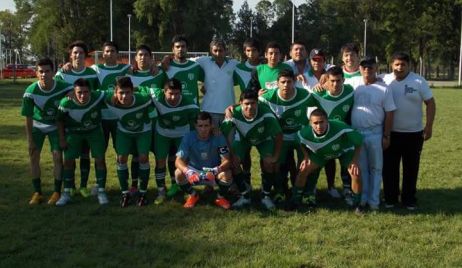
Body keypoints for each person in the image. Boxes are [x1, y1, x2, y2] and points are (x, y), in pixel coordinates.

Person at [382, 52, 436, 210]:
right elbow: (364, 76)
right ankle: (390, 198)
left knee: (411, 168)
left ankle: (409, 199)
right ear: (392, 65)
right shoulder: (384, 79)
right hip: (390, 133)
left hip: (413, 134)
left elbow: (431, 104)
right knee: (389, 168)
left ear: (409, 66)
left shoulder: (419, 81)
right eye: (396, 64)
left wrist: (429, 126)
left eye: (403, 64)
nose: (399, 67)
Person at [258, 69, 316, 202]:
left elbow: (320, 105)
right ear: (277, 83)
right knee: (277, 163)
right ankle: (279, 191)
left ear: (294, 82)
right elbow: (249, 105)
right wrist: (231, 108)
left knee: (306, 163)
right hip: (280, 136)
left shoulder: (305, 95)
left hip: (300, 135)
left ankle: (306, 192)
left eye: (289, 82)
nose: (286, 85)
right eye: (283, 82)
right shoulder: (266, 97)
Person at [288, 108, 362, 212]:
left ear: (327, 120)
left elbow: (359, 142)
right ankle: (295, 201)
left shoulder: (340, 126)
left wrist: (354, 161)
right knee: (303, 171)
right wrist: (306, 156)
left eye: (322, 122)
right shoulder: (304, 133)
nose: (319, 126)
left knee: (356, 173)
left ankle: (357, 204)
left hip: (344, 151)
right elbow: (299, 142)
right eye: (315, 123)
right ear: (310, 123)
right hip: (321, 154)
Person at [21, 58, 73, 205]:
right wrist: (30, 140)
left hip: (55, 126)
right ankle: (37, 192)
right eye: (41, 71)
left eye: (47, 71)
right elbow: (28, 117)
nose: (44, 74)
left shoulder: (62, 87)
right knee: (34, 157)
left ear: (52, 72)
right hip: (37, 126)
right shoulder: (30, 92)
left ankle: (57, 191)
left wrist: (71, 94)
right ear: (36, 73)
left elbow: (77, 89)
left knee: (57, 157)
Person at [221, 91, 283, 210]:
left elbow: (279, 135)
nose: (250, 107)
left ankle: (266, 196)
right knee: (233, 162)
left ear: (257, 103)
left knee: (269, 163)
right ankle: (245, 196)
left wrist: (275, 156)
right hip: (243, 139)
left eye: (253, 103)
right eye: (246, 104)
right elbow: (224, 135)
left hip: (264, 139)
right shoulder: (233, 113)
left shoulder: (266, 113)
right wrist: (231, 154)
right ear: (240, 104)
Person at [54, 40, 100, 197]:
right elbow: (57, 94)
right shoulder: (62, 73)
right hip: (69, 122)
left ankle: (83, 186)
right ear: (70, 55)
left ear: (85, 55)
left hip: (87, 121)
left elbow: (94, 95)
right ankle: (70, 186)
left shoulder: (92, 73)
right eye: (75, 52)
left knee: (85, 154)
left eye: (81, 53)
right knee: (70, 156)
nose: (78, 55)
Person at [142, 78, 199, 204]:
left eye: (177, 94)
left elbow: (197, 121)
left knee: (182, 162)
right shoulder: (156, 95)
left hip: (182, 134)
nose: (173, 97)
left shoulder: (190, 104)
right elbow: (143, 89)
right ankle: (161, 191)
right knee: (160, 160)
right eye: (170, 94)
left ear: (181, 93)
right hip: (162, 133)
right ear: (164, 91)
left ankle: (185, 189)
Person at [351, 56, 396, 211]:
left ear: (376, 68)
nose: (367, 70)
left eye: (370, 67)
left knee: (376, 169)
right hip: (357, 134)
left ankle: (374, 202)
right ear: (360, 69)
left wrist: (386, 135)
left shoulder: (384, 88)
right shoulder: (355, 84)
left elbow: (390, 113)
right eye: (364, 67)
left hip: (375, 133)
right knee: (361, 168)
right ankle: (362, 199)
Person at [105, 76, 156, 207]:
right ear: (115, 93)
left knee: (143, 158)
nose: (124, 96)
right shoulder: (108, 99)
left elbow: (150, 96)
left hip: (143, 131)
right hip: (124, 132)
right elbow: (93, 94)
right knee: (121, 158)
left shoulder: (143, 99)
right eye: (121, 93)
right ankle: (125, 192)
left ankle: (143, 192)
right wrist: (70, 92)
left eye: (128, 92)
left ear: (132, 92)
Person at [55, 78, 107, 206]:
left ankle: (101, 191)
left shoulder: (98, 96)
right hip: (74, 132)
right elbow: (60, 120)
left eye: (86, 92)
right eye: (79, 92)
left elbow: (114, 92)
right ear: (74, 92)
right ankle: (66, 192)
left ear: (90, 91)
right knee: (68, 161)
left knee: (100, 159)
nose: (83, 95)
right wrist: (62, 138)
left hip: (94, 131)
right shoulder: (66, 103)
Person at [311, 66, 355, 203]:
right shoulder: (318, 94)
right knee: (320, 163)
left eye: (338, 81)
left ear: (343, 80)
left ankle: (347, 190)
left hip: (343, 135)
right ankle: (312, 188)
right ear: (326, 81)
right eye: (332, 81)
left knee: (345, 163)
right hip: (323, 136)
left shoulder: (350, 91)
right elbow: (310, 114)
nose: (335, 84)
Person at [175, 112, 233, 209]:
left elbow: (227, 160)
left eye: (206, 125)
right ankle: (193, 195)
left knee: (227, 174)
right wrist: (188, 171)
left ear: (211, 126)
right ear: (195, 126)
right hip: (194, 173)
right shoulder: (188, 137)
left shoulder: (219, 136)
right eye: (200, 126)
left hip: (213, 172)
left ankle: (220, 197)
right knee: (178, 173)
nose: (203, 129)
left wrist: (216, 170)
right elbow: (178, 160)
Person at [196, 39, 239, 127]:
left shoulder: (234, 64)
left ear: (225, 51)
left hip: (229, 110)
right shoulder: (203, 61)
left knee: (229, 140)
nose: (218, 54)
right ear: (211, 51)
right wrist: (168, 58)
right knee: (210, 140)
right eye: (215, 50)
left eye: (220, 50)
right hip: (209, 110)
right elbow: (185, 61)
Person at [164, 35, 204, 104]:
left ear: (187, 48)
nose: (180, 49)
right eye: (177, 47)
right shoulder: (165, 66)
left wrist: (205, 86)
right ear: (173, 49)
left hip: (192, 108)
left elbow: (207, 80)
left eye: (183, 46)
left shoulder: (195, 66)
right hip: (172, 108)